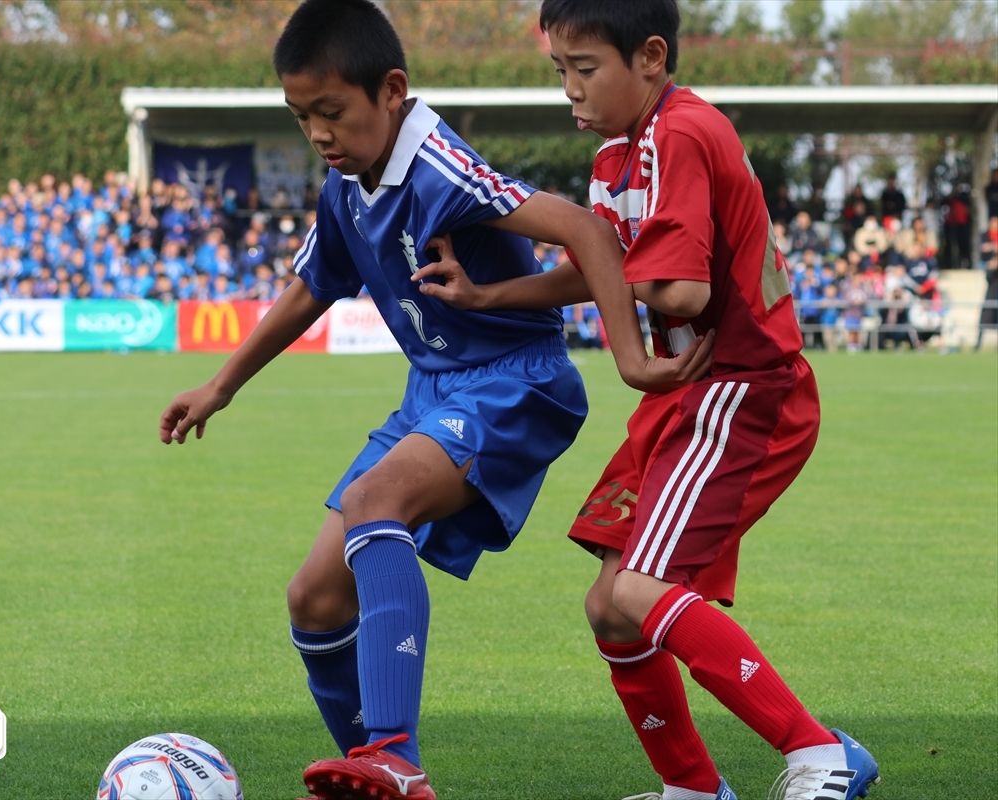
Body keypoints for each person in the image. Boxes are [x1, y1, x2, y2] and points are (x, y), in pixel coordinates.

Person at [157, 2, 710, 798]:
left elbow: (590, 233)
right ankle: (373, 776)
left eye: (331, 113)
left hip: (517, 381)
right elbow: (313, 285)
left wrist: (630, 359)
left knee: (377, 499)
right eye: (301, 116)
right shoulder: (346, 182)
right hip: (433, 394)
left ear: (392, 91)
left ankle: (394, 754)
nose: (317, 134)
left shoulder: (438, 165)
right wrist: (220, 384)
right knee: (314, 595)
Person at [414, 3, 879, 799]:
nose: (570, 90)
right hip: (682, 398)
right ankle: (692, 788)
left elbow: (684, 290)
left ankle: (821, 753)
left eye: (584, 68)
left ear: (652, 57)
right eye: (559, 70)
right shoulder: (616, 157)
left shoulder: (684, 134)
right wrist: (490, 294)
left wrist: (606, 262)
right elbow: (607, 267)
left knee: (636, 592)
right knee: (610, 607)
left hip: (738, 390)